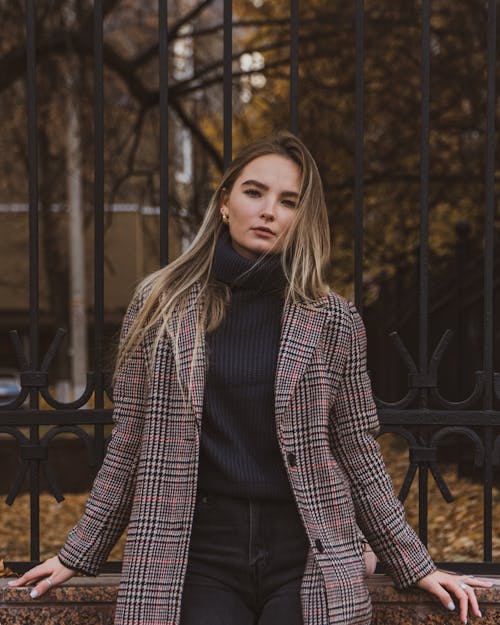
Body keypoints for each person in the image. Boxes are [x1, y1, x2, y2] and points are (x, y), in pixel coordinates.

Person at [9, 131, 490, 625]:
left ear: (301, 218)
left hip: (306, 548)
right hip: (197, 549)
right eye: (254, 192)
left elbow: (357, 450)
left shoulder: (333, 321)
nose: (268, 211)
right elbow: (130, 442)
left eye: (288, 202)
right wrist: (76, 554)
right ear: (224, 203)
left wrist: (417, 565)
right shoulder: (161, 308)